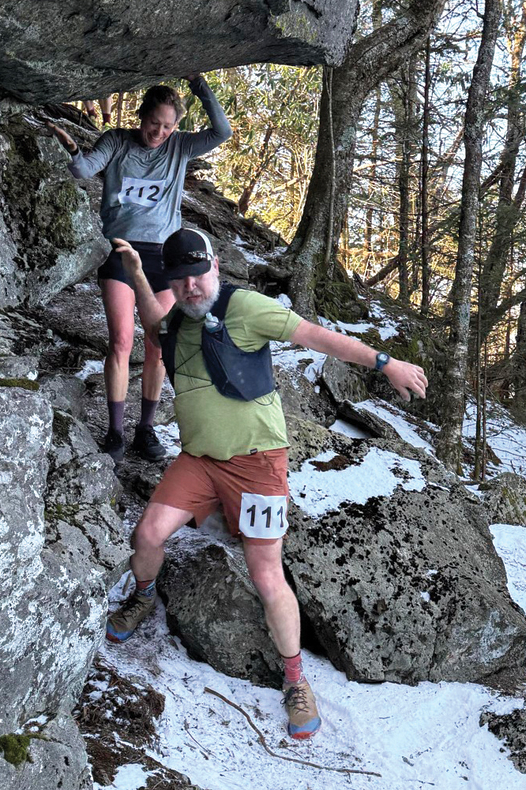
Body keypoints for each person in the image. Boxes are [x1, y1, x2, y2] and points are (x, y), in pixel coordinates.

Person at [105, 228, 428, 739]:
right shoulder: (180, 321)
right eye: (182, 280)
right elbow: (152, 325)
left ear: (215, 265)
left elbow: (317, 337)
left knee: (265, 573)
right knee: (146, 535)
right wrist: (141, 276)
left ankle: (296, 679)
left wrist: (385, 363)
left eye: (199, 274)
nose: (192, 287)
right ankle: (144, 594)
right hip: (198, 461)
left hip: (258, 465)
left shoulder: (246, 307)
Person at [47, 76, 232, 463]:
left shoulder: (179, 148)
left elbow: (222, 131)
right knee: (120, 341)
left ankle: (145, 430)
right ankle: (115, 432)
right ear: (141, 116)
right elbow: (85, 169)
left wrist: (199, 85)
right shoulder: (117, 141)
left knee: (158, 346)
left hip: (163, 257)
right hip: (119, 250)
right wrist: (74, 150)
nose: (160, 133)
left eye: (168, 126)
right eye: (154, 123)